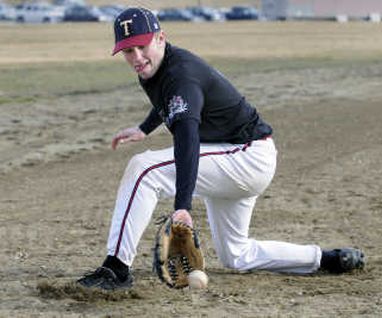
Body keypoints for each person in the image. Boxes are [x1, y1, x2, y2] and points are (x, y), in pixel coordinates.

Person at [77, 7, 365, 290]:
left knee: (144, 168)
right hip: (238, 156)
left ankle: (115, 269)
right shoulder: (160, 67)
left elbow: (187, 139)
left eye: (142, 46)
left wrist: (183, 207)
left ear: (160, 38)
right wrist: (143, 128)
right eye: (128, 51)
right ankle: (326, 259)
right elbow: (169, 101)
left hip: (245, 156)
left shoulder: (182, 76)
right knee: (236, 255)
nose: (137, 57)